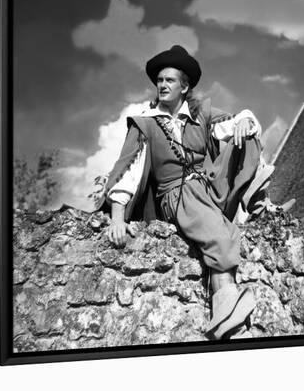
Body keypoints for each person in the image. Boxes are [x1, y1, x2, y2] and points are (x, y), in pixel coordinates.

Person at [98, 45, 273, 340]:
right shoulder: (146, 123)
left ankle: (258, 201)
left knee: (247, 130)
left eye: (169, 80)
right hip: (177, 195)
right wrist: (117, 218)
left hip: (209, 186)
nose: (162, 85)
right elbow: (128, 171)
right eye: (159, 80)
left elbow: (233, 123)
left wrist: (243, 120)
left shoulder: (201, 115)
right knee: (220, 234)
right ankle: (225, 302)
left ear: (185, 86)